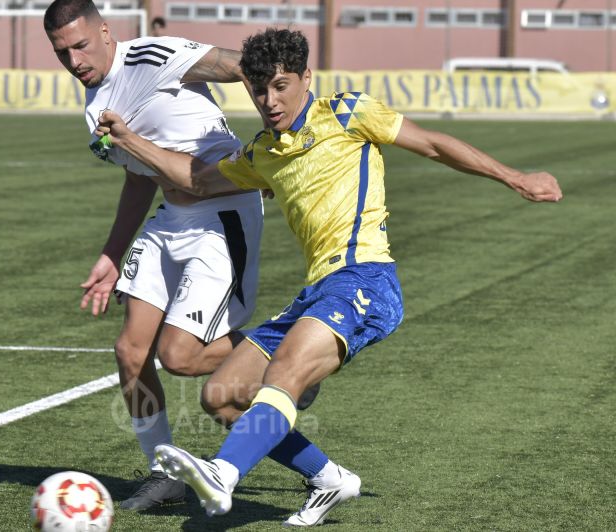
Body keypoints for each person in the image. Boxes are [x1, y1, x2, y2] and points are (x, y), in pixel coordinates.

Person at [95, 28, 563, 526]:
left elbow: (432, 145)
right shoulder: (262, 154)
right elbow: (193, 179)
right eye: (258, 89)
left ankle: (223, 473)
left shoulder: (346, 112)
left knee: (283, 373)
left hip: (366, 279)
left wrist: (515, 177)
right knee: (222, 396)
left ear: (305, 79)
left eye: (280, 85)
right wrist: (129, 140)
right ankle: (329, 478)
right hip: (315, 293)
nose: (269, 100)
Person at [43, 0, 266, 511]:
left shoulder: (151, 55)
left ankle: (282, 355)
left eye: (81, 45)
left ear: (105, 31)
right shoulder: (93, 102)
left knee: (180, 357)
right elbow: (138, 175)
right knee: (130, 353)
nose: (74, 60)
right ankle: (164, 471)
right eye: (62, 52)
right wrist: (111, 253)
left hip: (223, 211)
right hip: (172, 217)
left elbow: (244, 67)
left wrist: (268, 149)